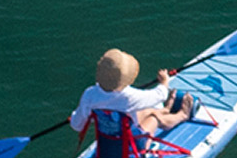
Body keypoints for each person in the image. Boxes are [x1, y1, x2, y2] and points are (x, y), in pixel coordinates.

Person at [68, 49, 196, 146]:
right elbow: (160, 95)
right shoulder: (130, 96)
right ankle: (182, 115)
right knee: (153, 117)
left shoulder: (89, 95)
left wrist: (78, 115)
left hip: (106, 146)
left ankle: (166, 110)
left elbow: (77, 125)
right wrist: (164, 81)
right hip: (132, 147)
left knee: (145, 110)